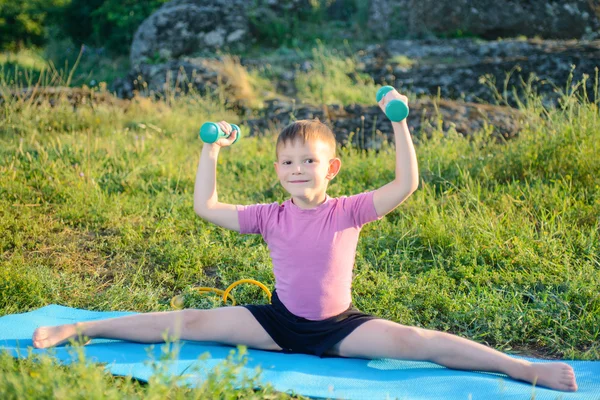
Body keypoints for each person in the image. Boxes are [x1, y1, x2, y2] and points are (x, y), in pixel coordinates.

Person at [32, 88, 577, 392]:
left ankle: (519, 367)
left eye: (308, 161)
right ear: (277, 169)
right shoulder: (270, 216)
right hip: (276, 324)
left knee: (417, 340)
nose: (298, 169)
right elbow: (206, 207)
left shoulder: (348, 211)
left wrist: (399, 123)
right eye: (288, 162)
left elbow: (406, 184)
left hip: (338, 328)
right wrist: (211, 150)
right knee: (190, 321)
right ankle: (83, 326)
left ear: (331, 168)